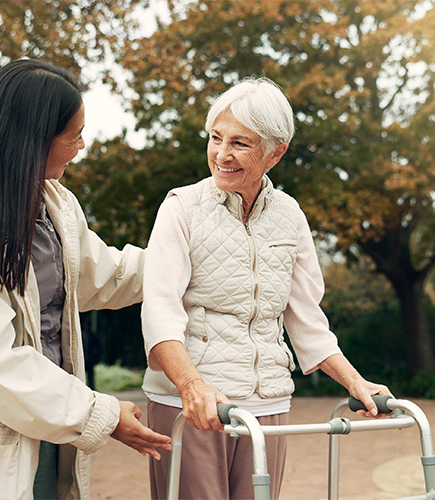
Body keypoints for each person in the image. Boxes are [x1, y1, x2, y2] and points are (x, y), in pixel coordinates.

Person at [0, 59, 171, 500]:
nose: (81, 146)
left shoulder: (52, 203)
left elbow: (103, 276)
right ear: (34, 139)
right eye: (73, 135)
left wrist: (188, 260)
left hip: (49, 429)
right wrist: (103, 414)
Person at [141, 76, 391, 500]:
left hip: (269, 403)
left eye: (240, 143)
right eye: (216, 138)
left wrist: (356, 383)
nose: (222, 154)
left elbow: (308, 320)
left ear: (275, 152)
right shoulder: (180, 207)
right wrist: (191, 387)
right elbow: (160, 311)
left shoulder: (290, 216)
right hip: (197, 407)